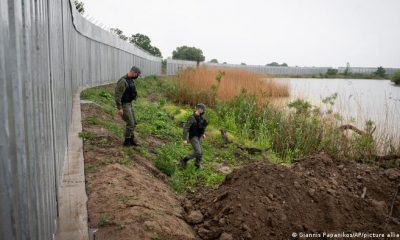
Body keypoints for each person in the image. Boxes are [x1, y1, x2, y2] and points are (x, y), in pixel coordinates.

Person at [114, 66, 141, 146]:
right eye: (137, 74)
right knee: (130, 123)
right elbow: (118, 95)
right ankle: (127, 141)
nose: (137, 76)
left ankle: (131, 139)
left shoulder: (130, 80)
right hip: (124, 105)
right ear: (133, 72)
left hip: (129, 104)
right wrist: (120, 108)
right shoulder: (123, 81)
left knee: (134, 122)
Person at [179, 103, 208, 169]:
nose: (203, 111)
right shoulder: (192, 117)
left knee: (201, 152)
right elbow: (186, 128)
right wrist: (184, 139)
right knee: (198, 151)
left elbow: (201, 127)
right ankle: (184, 159)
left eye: (204, 110)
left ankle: (197, 164)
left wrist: (203, 134)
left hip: (198, 136)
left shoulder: (201, 118)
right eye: (203, 110)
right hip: (193, 137)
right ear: (199, 109)